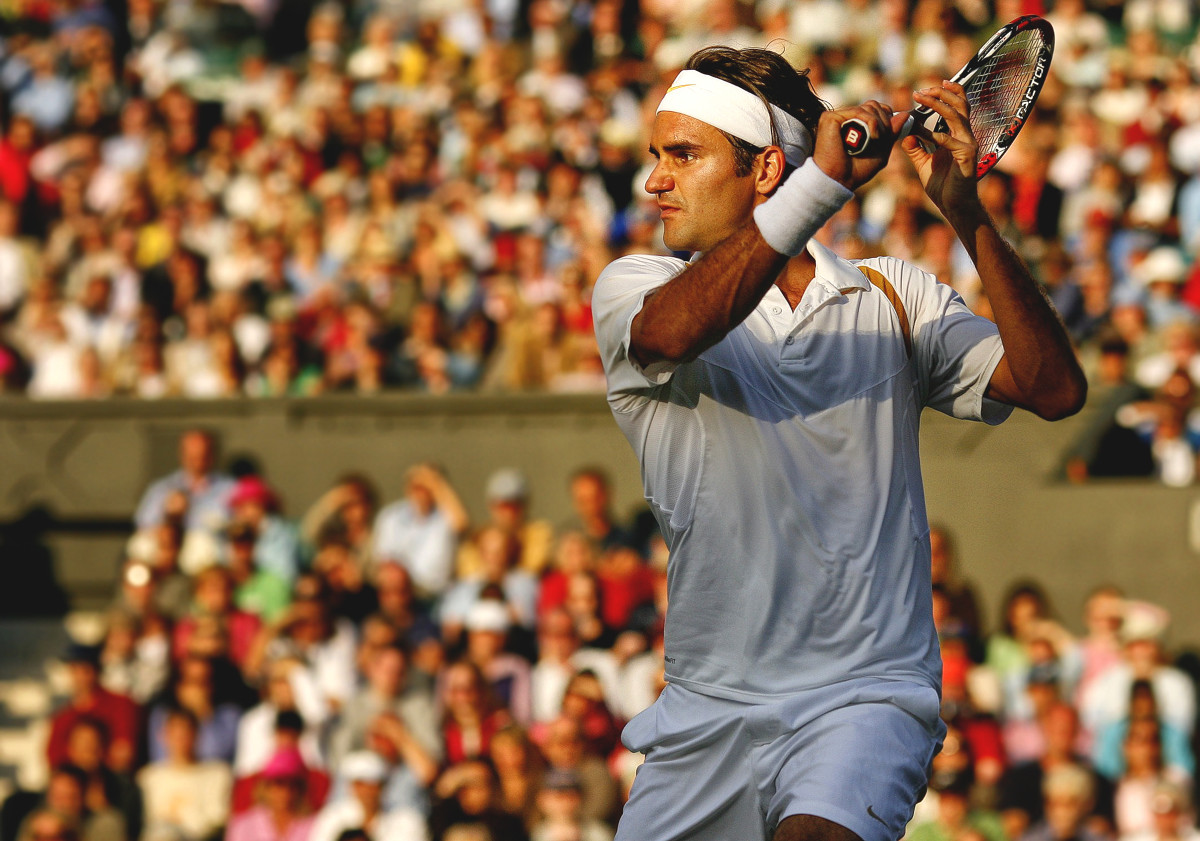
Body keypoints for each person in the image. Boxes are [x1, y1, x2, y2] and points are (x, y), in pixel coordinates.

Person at [590, 45, 1086, 841]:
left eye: (683, 154)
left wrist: (966, 209)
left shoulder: (895, 293)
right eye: (656, 156)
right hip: (704, 712)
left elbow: (1055, 389)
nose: (655, 180)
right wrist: (821, 186)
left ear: (765, 170)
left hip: (865, 697)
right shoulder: (635, 288)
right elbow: (676, 330)